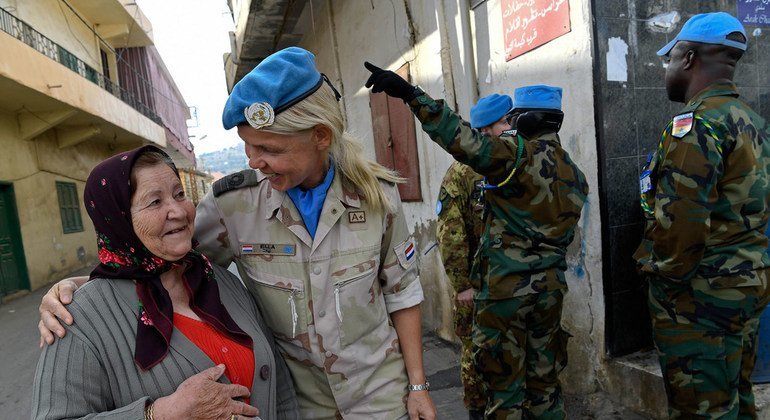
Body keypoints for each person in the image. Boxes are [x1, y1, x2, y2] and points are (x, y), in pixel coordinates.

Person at [38, 47, 436, 420]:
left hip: (381, 399)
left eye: (270, 148)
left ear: (320, 136)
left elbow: (402, 293)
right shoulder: (233, 205)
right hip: (301, 405)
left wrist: (418, 384)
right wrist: (80, 287)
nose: (256, 161)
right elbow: (161, 255)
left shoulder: (377, 197)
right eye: (247, 147)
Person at [364, 63, 588, 418]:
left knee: (505, 393)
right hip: (550, 291)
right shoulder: (573, 173)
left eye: (514, 119)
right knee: (545, 389)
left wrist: (411, 95)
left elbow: (461, 139)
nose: (510, 126)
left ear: (525, 120)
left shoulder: (517, 157)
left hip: (506, 295)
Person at [31, 145, 298, 419]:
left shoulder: (221, 281)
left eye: (179, 194)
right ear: (117, 218)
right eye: (155, 202)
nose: (178, 211)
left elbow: (280, 390)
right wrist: (158, 414)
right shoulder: (78, 318)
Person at [633, 12, 770, 418]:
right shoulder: (753, 122)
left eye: (670, 58)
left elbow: (682, 225)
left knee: (702, 409)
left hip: (701, 297)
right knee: (736, 398)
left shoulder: (696, 126)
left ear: (689, 59)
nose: (667, 69)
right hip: (746, 283)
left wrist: (663, 283)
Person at [436, 93, 514, 419]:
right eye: (506, 123)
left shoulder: (516, 162)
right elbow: (449, 233)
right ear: (485, 130)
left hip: (512, 285)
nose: (512, 128)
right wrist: (462, 284)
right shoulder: (461, 174)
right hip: (478, 288)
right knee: (475, 359)